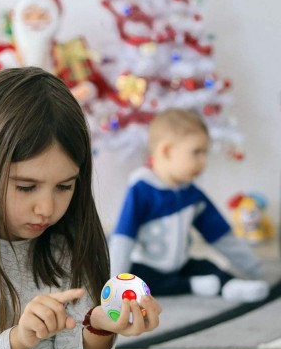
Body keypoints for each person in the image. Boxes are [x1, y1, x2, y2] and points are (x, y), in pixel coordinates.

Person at [0, 67, 162, 349]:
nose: (47, 208)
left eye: (64, 186)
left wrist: (98, 329)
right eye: (26, 187)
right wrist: (18, 340)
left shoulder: (68, 245)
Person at [109, 108, 270, 303]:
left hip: (181, 265)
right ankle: (192, 285)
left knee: (209, 266)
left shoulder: (192, 194)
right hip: (145, 267)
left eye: (205, 154)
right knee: (139, 284)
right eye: (197, 152)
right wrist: (115, 283)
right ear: (166, 151)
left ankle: (229, 286)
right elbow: (123, 238)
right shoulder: (142, 190)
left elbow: (220, 235)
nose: (203, 162)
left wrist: (254, 268)